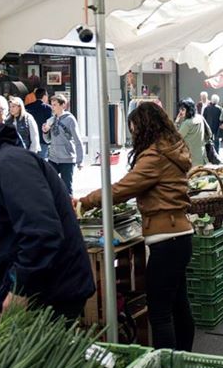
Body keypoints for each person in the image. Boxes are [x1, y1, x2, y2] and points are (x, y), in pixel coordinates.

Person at [0, 107, 95, 318]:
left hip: (51, 293)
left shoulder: (10, 163)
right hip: (43, 289)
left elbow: (41, 232)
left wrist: (20, 290)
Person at [76, 102, 195, 350]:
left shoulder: (155, 156)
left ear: (145, 127)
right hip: (179, 234)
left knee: (160, 311)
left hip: (166, 238)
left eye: (134, 129)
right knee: (179, 306)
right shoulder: (173, 147)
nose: (133, 135)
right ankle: (185, 360)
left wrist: (85, 202)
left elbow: (122, 189)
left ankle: (169, 367)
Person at [42, 94, 84, 196]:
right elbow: (47, 140)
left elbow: (78, 140)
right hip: (53, 158)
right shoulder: (51, 120)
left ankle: (70, 208)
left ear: (63, 105)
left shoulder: (70, 119)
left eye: (55, 105)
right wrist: (45, 132)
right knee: (48, 182)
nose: (52, 107)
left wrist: (80, 161)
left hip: (67, 158)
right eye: (52, 105)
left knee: (66, 188)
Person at [176, 98, 207, 167]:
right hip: (201, 155)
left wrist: (177, 121)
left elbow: (177, 138)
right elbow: (209, 133)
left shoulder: (187, 123)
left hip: (190, 157)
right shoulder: (200, 118)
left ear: (189, 110)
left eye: (183, 110)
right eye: (180, 109)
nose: (180, 112)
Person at [25, 88, 53, 158]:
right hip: (43, 139)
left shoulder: (27, 107)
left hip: (30, 139)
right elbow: (50, 123)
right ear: (44, 96)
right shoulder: (48, 108)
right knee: (42, 163)